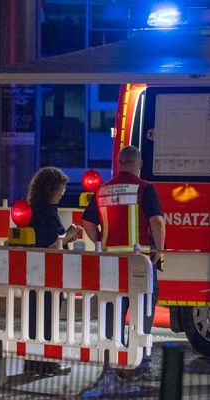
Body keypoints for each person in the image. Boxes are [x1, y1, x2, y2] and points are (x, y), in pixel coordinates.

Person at [81, 146, 166, 380]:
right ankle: (139, 364)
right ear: (139, 164)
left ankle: (112, 361)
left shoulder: (102, 191)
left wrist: (101, 241)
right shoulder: (145, 189)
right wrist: (158, 249)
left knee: (112, 311)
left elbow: (87, 223)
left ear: (119, 162)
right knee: (142, 312)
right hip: (139, 263)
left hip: (111, 263)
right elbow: (157, 221)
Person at [24, 166, 81, 376]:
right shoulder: (46, 211)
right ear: (50, 189)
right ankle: (47, 364)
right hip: (48, 273)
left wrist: (65, 237)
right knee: (47, 318)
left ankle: (32, 363)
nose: (63, 192)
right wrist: (69, 235)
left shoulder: (35, 208)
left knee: (34, 317)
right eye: (61, 189)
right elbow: (52, 245)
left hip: (34, 272)